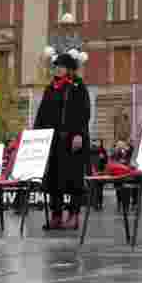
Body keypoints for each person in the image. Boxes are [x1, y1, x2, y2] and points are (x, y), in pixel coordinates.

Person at [35, 50, 90, 230]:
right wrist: (37, 136)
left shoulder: (78, 86)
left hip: (73, 141)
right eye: (55, 66)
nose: (57, 70)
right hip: (54, 142)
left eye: (60, 67)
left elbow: (84, 112)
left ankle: (73, 215)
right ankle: (56, 215)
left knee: (74, 179)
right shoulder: (51, 88)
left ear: (69, 69)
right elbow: (42, 114)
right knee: (54, 180)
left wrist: (79, 134)